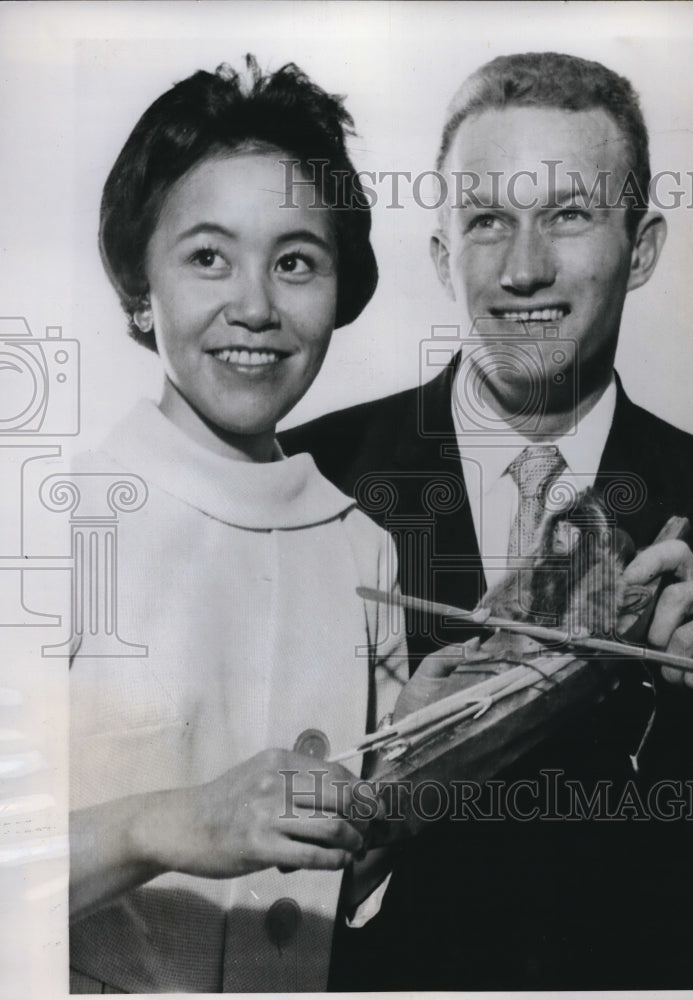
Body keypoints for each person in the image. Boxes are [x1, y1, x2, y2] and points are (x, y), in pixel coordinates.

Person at [282, 51, 693, 990]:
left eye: (567, 215)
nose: (524, 270)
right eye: (487, 222)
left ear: (640, 247)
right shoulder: (306, 476)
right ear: (443, 256)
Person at [68, 55, 436, 993]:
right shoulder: (55, 523)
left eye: (295, 262)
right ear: (138, 292)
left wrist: (420, 765)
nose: (256, 307)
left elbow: (355, 880)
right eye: (207, 257)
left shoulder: (364, 547)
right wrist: (169, 823)